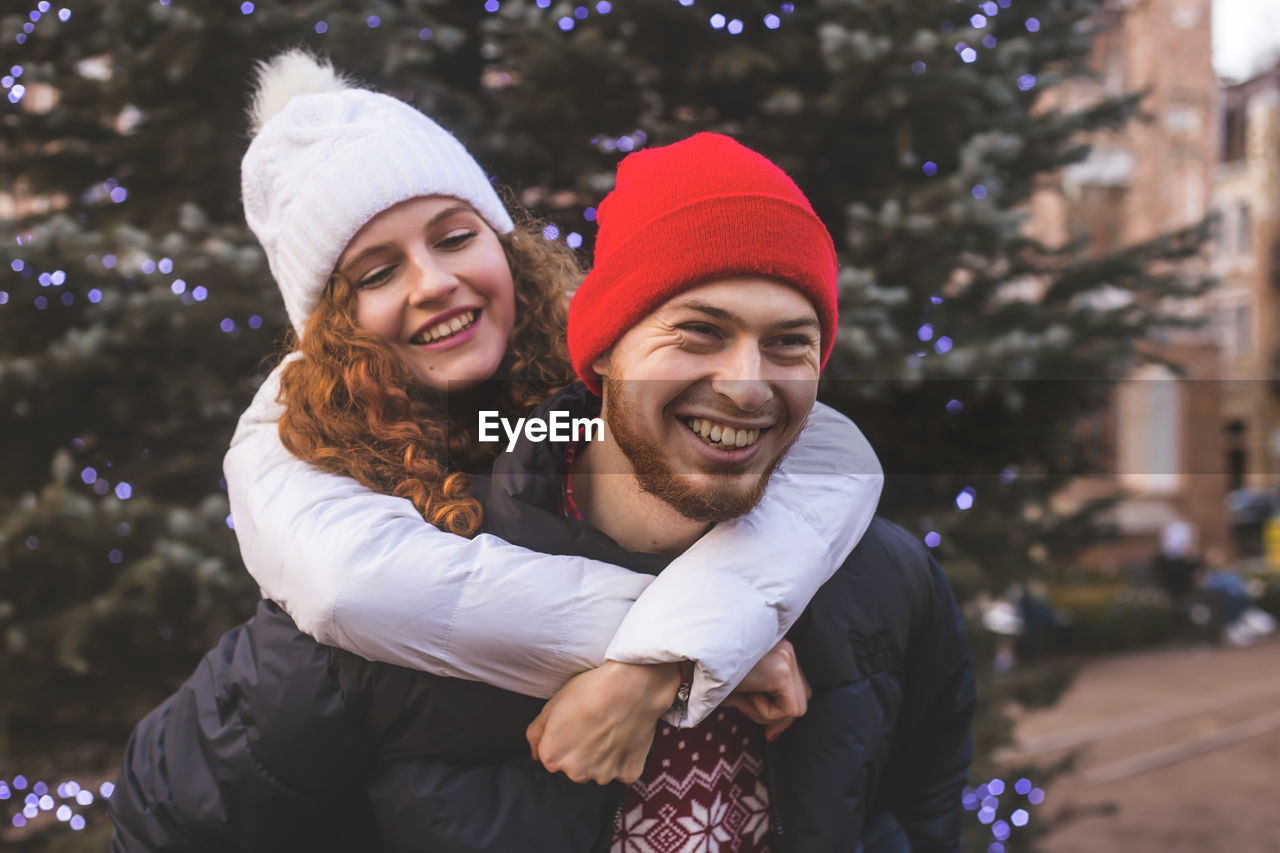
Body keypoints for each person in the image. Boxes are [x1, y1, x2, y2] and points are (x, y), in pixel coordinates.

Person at [111, 129, 974, 852]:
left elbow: (917, 804)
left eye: (789, 344)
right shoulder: (371, 585)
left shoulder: (882, 578)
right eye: (698, 332)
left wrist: (697, 640)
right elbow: (176, 806)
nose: (745, 384)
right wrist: (691, 652)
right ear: (601, 354)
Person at [224, 50, 883, 740]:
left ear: (501, 242)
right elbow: (348, 588)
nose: (433, 282)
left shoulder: (604, 333)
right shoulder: (290, 435)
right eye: (378, 272)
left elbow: (831, 452)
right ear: (331, 323)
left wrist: (676, 655)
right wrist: (691, 650)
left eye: (455, 237)